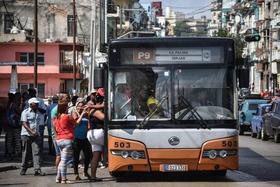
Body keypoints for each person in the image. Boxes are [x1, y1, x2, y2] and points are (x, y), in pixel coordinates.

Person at [53, 100, 86, 184]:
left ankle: (58, 177)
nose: (68, 108)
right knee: (64, 161)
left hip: (59, 140)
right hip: (67, 139)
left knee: (62, 160)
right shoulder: (67, 116)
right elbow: (77, 123)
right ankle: (64, 179)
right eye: (67, 106)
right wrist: (82, 114)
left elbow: (55, 129)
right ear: (65, 108)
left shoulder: (56, 117)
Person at [20, 97, 45, 176]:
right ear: (31, 104)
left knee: (36, 152)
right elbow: (24, 123)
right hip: (26, 135)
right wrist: (31, 131)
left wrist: (36, 133)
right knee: (26, 152)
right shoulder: (25, 112)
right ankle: (23, 168)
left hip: (36, 135)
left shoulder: (38, 111)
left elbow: (45, 112)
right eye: (35, 103)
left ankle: (37, 169)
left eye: (37, 103)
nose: (37, 104)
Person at [72, 99, 92, 180]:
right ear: (76, 107)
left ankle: (85, 171)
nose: (80, 108)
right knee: (76, 157)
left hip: (85, 138)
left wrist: (87, 115)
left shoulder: (85, 115)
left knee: (88, 156)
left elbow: (89, 125)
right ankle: (76, 173)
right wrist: (82, 114)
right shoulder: (74, 113)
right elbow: (77, 122)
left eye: (82, 106)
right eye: (79, 106)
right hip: (76, 139)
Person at [87, 88, 105, 181]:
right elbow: (103, 118)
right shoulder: (94, 109)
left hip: (93, 134)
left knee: (96, 155)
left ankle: (93, 176)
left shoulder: (91, 107)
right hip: (98, 133)